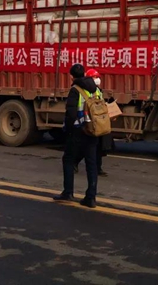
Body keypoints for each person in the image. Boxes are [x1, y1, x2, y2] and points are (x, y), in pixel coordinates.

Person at [54, 63, 99, 208]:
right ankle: (91, 197)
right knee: (91, 164)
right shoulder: (96, 89)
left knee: (68, 159)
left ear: (71, 76)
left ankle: (68, 192)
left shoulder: (75, 90)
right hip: (93, 130)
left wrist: (67, 130)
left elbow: (71, 114)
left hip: (78, 131)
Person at [74, 68, 111, 176]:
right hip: (87, 120)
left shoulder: (98, 90)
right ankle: (75, 162)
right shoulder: (82, 90)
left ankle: (98, 168)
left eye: (98, 77)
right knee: (87, 146)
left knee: (99, 145)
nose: (97, 79)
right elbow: (80, 107)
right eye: (95, 77)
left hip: (97, 120)